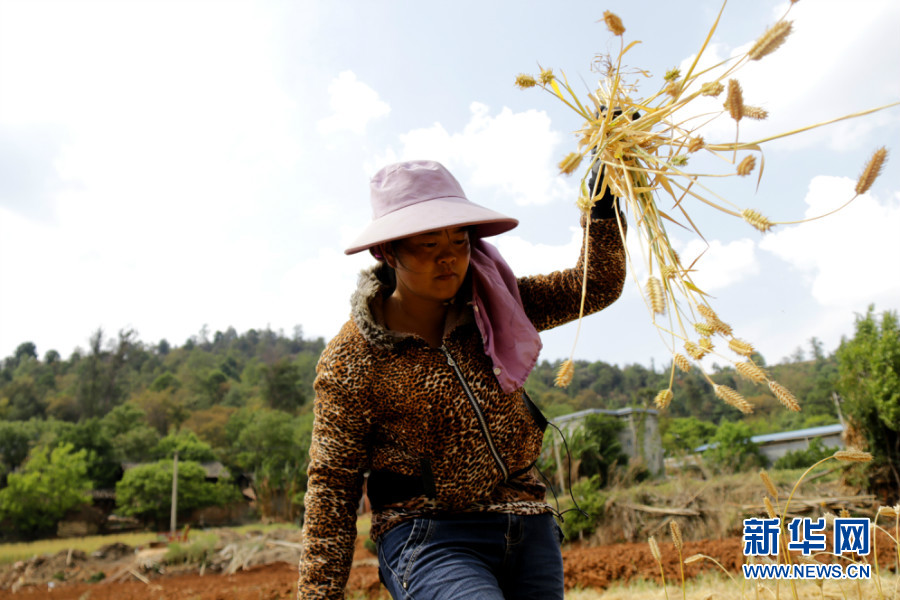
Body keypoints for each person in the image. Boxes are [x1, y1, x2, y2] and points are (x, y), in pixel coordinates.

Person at [297, 159, 626, 599]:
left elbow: (596, 285)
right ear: (388, 252)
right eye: (428, 243)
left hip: (526, 519)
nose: (448, 256)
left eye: (459, 239)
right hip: (428, 533)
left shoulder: (497, 304)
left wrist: (605, 204)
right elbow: (333, 485)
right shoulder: (353, 359)